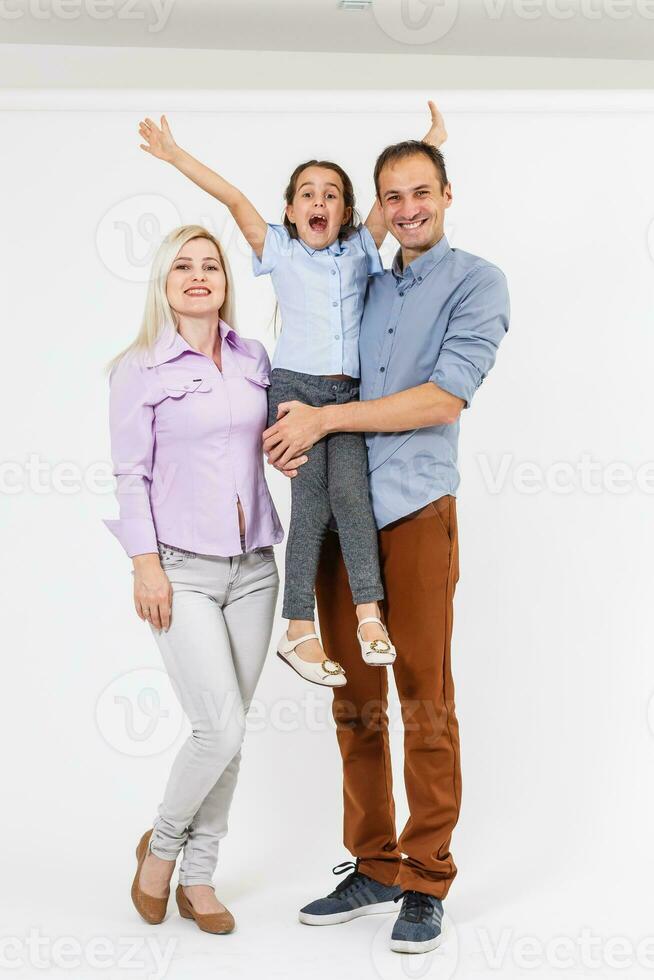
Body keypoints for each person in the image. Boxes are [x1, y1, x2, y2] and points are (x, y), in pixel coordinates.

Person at [263, 137, 510, 954]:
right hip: (341, 518)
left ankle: (426, 873)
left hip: (415, 510)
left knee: (423, 698)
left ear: (447, 193)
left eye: (422, 192)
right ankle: (373, 862)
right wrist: (286, 432)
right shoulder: (361, 271)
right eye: (392, 197)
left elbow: (443, 398)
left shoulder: (477, 282)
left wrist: (323, 420)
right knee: (353, 701)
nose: (408, 209)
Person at [136, 103, 446, 688]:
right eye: (307, 194)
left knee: (354, 497)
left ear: (349, 211)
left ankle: (368, 617)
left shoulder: (360, 248)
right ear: (289, 210)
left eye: (332, 195)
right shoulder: (277, 248)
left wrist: (430, 140)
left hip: (347, 396)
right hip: (295, 389)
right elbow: (231, 198)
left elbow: (395, 192)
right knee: (312, 506)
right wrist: (175, 155)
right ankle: (299, 627)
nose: (319, 203)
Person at [104, 225, 282, 934]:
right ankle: (163, 850)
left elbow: (270, 441)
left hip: (255, 570)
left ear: (226, 283)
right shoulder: (138, 368)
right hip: (180, 569)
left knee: (229, 731)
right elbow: (129, 474)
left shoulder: (253, 358)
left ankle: (200, 878)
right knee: (220, 727)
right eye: (184, 265)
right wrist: (145, 565)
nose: (200, 275)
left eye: (211, 265)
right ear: (165, 282)